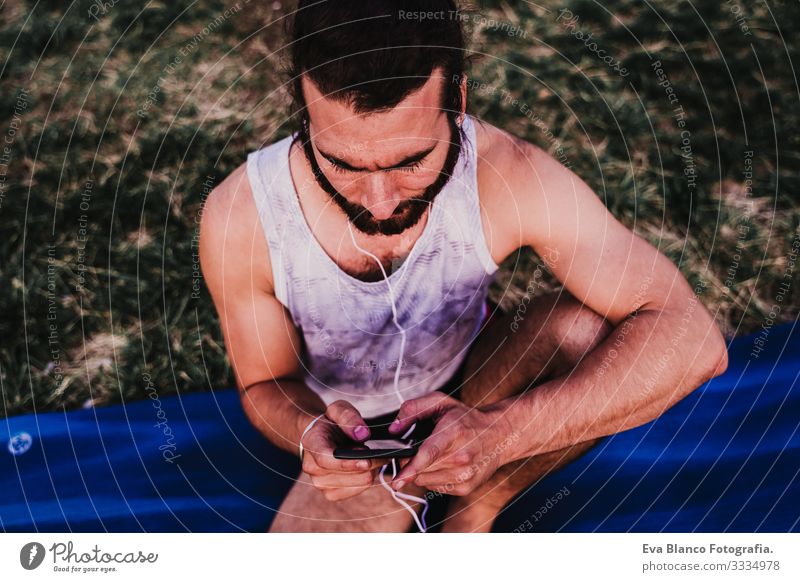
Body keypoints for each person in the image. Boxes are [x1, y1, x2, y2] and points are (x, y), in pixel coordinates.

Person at [199, 0, 728, 532]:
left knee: (578, 333)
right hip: (349, 432)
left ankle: (472, 512)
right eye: (342, 163)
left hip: (478, 380)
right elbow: (265, 383)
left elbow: (692, 340)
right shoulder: (241, 215)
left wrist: (500, 434)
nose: (379, 202)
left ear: (458, 96)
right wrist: (306, 430)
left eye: (410, 162)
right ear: (302, 106)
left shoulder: (509, 176)